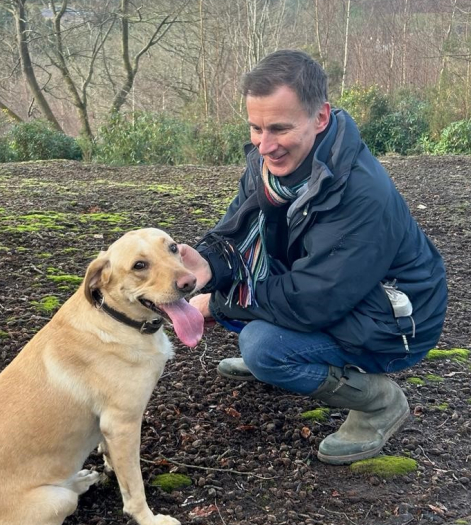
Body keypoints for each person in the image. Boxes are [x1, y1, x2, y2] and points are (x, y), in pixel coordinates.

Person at [178, 49, 447, 465]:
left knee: (263, 346)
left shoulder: (360, 193)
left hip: (393, 320)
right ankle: (298, 355)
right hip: (334, 292)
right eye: (255, 127)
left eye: (279, 129)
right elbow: (237, 229)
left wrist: (220, 302)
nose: (264, 145)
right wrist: (209, 265)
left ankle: (380, 404)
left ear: (319, 118)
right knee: (256, 311)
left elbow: (311, 301)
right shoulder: (268, 165)